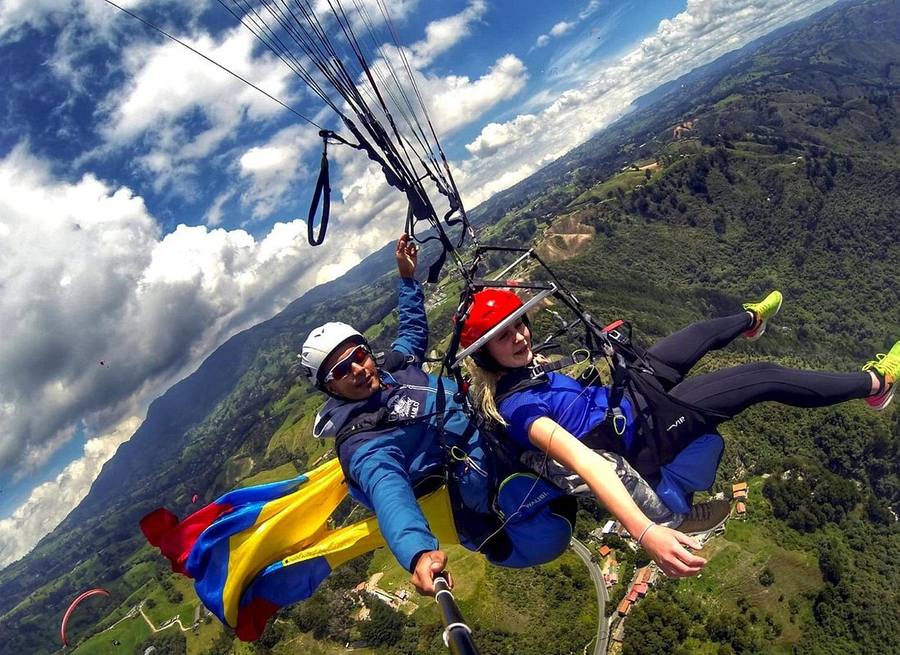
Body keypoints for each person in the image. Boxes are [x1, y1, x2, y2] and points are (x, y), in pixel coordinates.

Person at [300, 235, 727, 595]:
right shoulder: (364, 442)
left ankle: (666, 475)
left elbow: (412, 330)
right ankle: (672, 520)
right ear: (329, 386)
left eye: (359, 355)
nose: (359, 369)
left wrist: (407, 278)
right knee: (592, 464)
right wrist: (417, 551)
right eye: (342, 370)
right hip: (489, 477)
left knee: (592, 425)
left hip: (490, 424)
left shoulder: (393, 369)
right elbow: (389, 493)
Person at [460, 288, 898, 578]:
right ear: (488, 356)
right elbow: (588, 464)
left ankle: (749, 320)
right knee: (763, 377)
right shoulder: (519, 409)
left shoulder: (528, 372)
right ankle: (876, 385)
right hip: (645, 436)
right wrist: (645, 532)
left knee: (697, 334)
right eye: (504, 336)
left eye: (520, 323)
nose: (520, 336)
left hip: (628, 399)